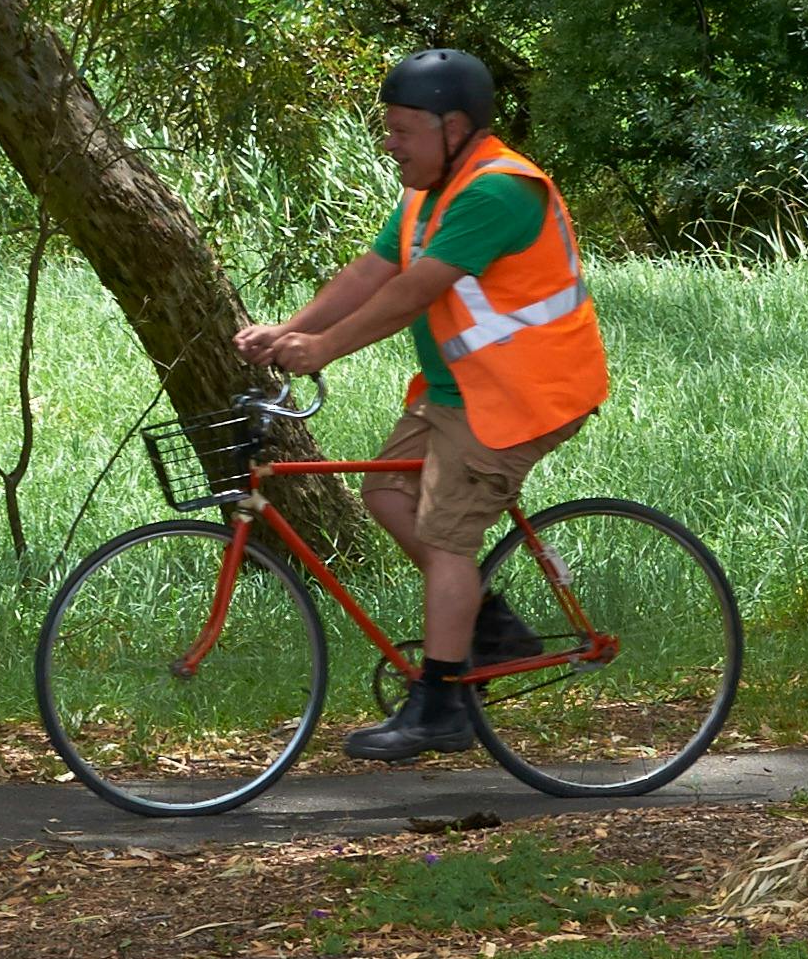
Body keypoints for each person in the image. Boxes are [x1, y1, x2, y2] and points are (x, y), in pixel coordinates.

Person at [233, 47, 609, 763]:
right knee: (384, 492)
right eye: (389, 127)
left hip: (521, 395)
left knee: (445, 540)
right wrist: (294, 328)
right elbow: (374, 270)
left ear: (455, 126)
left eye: (403, 129)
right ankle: (489, 626)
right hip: (459, 391)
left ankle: (441, 706)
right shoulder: (428, 191)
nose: (389, 142)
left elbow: (416, 289)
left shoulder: (497, 192)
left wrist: (326, 348)